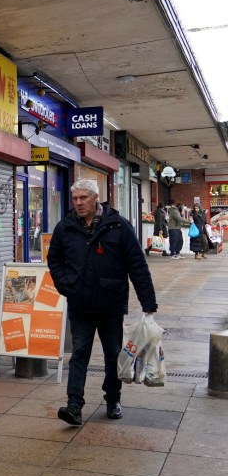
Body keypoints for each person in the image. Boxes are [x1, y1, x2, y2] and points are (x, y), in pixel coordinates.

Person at [47, 180, 157, 426]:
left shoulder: (118, 226)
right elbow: (54, 259)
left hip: (110, 304)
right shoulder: (65, 226)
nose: (78, 203)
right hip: (80, 303)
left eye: (83, 198)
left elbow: (137, 265)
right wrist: (66, 285)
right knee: (79, 354)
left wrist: (148, 301)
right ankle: (74, 405)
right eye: (75, 198)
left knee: (112, 355)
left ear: (95, 197)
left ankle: (113, 399)